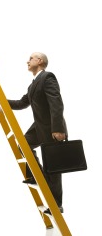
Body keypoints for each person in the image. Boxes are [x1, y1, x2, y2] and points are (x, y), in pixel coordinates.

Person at [7, 52, 68, 214]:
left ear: (39, 61)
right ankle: (38, 176)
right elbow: (21, 103)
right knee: (23, 144)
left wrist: (58, 128)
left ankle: (56, 205)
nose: (27, 61)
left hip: (52, 127)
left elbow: (56, 103)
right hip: (39, 127)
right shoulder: (33, 84)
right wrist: (1, 101)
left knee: (53, 168)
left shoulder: (48, 77)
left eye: (31, 58)